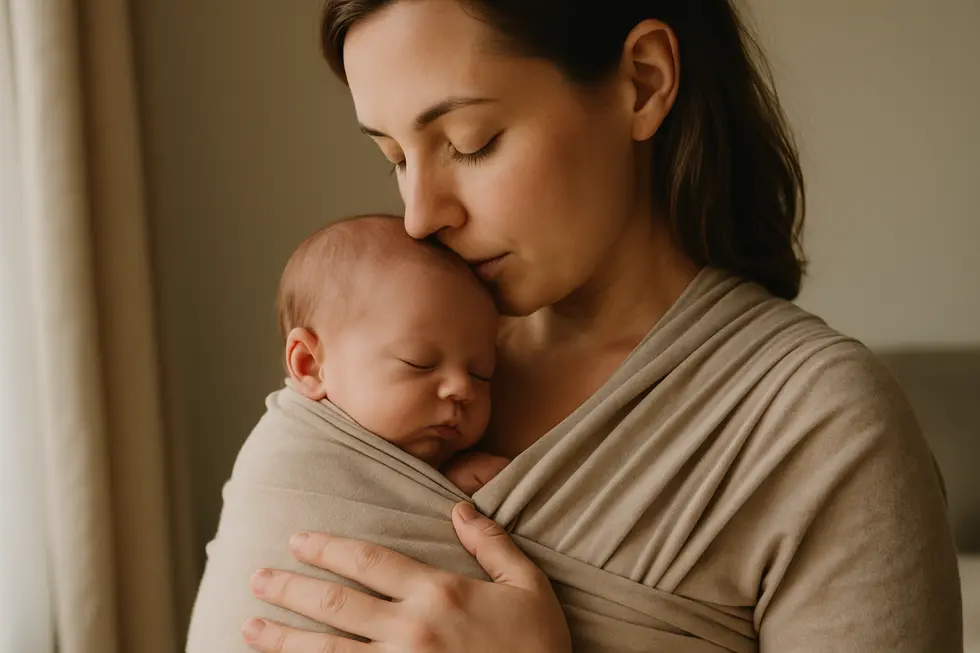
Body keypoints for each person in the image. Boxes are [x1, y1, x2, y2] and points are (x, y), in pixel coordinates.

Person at [237, 1, 964, 651]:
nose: (421, 215)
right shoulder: (369, 366)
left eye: (471, 141)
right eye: (394, 156)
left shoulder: (821, 429)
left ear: (644, 82)